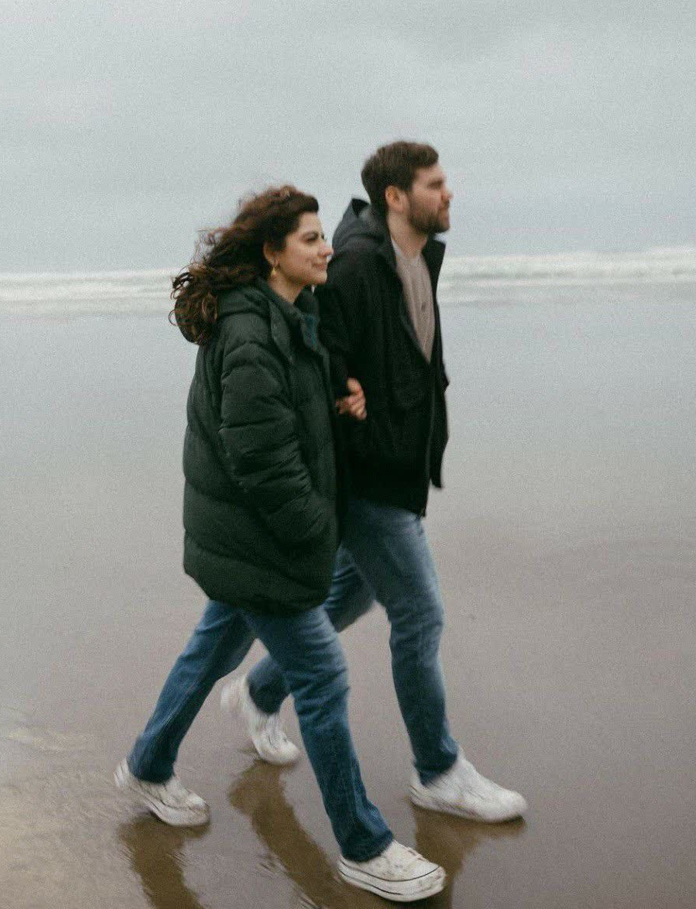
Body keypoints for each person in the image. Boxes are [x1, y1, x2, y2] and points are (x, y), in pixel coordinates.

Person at [115, 186, 446, 902]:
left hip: (243, 537)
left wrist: (340, 399)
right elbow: (261, 460)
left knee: (214, 650)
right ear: (272, 253)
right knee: (322, 675)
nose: (327, 248)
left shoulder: (292, 315)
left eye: (324, 236)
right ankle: (363, 845)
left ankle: (147, 764)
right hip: (257, 539)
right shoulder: (249, 335)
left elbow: (290, 411)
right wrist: (317, 532)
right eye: (310, 239)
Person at [223, 144, 528, 823]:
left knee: (349, 595)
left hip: (399, 464)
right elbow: (311, 333)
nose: (449, 193)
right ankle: (437, 770)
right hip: (368, 473)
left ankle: (260, 691)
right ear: (396, 196)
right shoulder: (360, 261)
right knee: (420, 613)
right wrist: (341, 390)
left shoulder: (414, 257)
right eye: (435, 183)